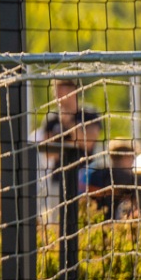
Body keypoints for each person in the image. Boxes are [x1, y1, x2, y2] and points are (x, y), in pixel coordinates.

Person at [34, 77, 101, 222]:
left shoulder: (89, 115)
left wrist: (70, 124)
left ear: (73, 91)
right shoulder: (51, 119)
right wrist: (72, 143)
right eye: (56, 91)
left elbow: (88, 143)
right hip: (59, 179)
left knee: (84, 220)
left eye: (61, 91)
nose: (57, 96)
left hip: (85, 178)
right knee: (57, 222)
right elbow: (48, 152)